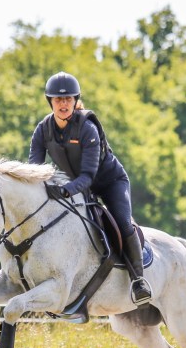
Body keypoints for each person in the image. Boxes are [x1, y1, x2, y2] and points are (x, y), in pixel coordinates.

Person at [28, 71, 152, 305]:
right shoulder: (42, 130)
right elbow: (34, 171)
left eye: (67, 99)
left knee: (123, 222)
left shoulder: (87, 128)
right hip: (76, 186)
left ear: (75, 101)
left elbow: (88, 176)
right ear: (50, 102)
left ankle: (138, 280)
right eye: (58, 100)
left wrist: (65, 191)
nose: (63, 104)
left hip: (108, 182)